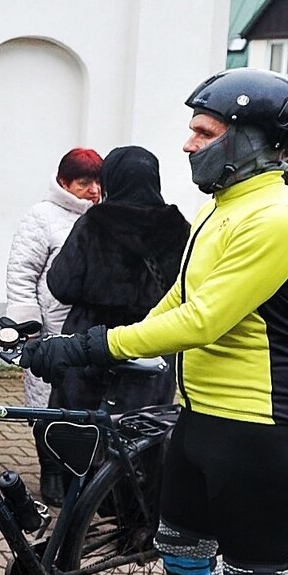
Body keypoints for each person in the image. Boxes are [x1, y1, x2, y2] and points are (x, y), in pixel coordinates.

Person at [23, 68, 288, 575]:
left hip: (262, 430)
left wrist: (91, 345)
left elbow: (201, 321)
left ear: (250, 143)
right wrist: (98, 341)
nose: (188, 145)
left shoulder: (277, 218)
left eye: (204, 133)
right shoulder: (226, 209)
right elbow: (172, 309)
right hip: (202, 418)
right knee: (182, 548)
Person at [43, 146, 188, 424]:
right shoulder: (179, 228)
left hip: (90, 347)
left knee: (77, 432)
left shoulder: (94, 223)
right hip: (153, 345)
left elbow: (61, 285)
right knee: (141, 433)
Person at [3, 147, 103, 503]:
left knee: (84, 404)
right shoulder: (42, 216)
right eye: (84, 182)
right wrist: (28, 323)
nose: (93, 190)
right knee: (47, 401)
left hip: (89, 329)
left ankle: (84, 472)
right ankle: (51, 471)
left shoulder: (103, 216)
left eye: (97, 181)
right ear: (63, 182)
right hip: (50, 328)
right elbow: (22, 272)